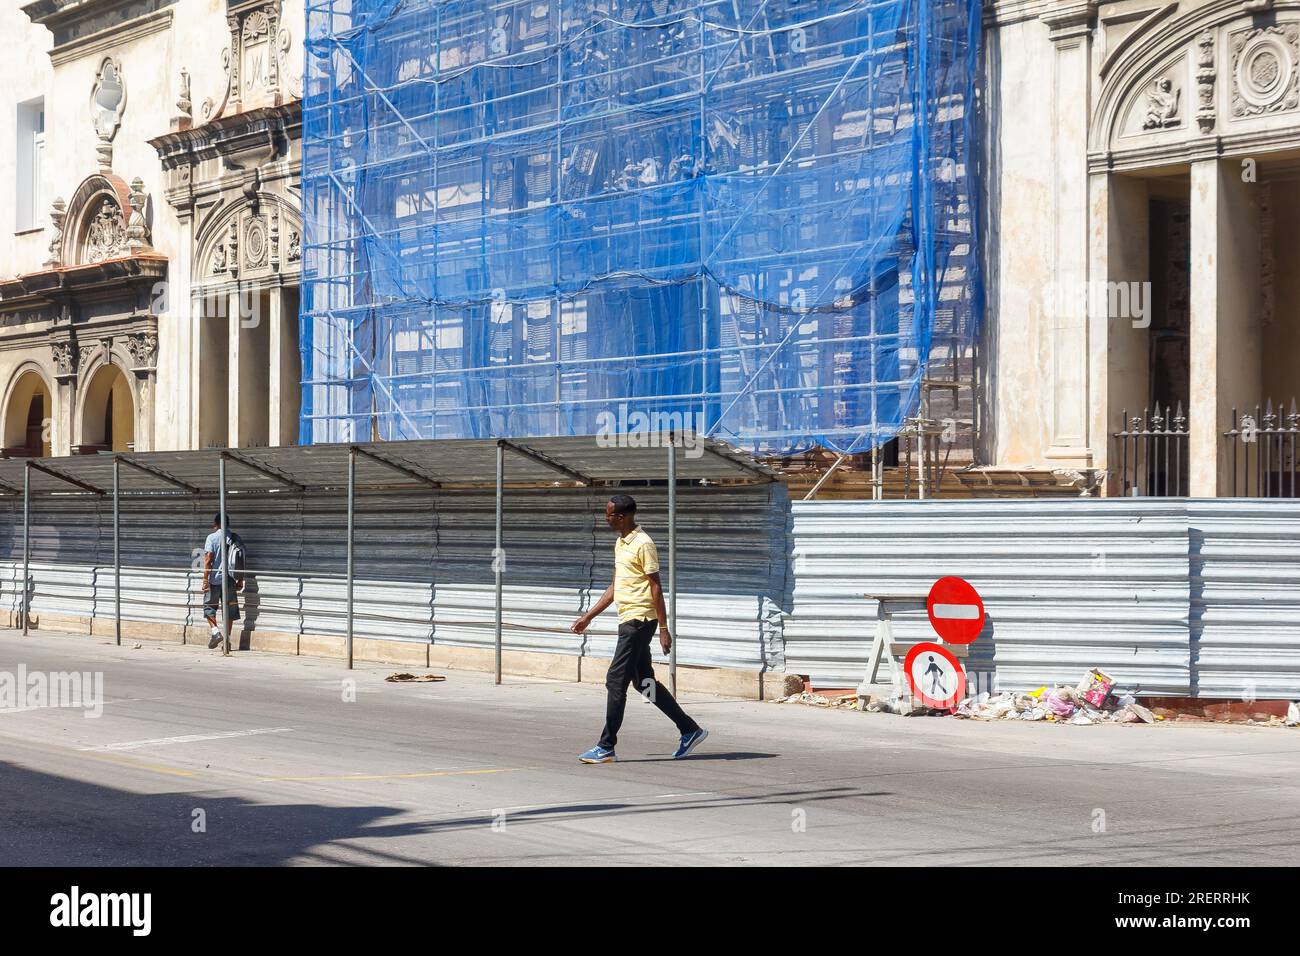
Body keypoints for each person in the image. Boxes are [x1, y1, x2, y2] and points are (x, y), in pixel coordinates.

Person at [571, 494, 707, 763]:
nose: (605, 517)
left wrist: (664, 628)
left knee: (615, 681)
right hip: (629, 619)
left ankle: (606, 746)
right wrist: (589, 616)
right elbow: (616, 586)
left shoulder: (643, 544)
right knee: (644, 683)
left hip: (640, 621)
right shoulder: (621, 543)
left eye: (608, 514)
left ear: (621, 516)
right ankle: (690, 729)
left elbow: (656, 586)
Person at [201, 513, 244, 650]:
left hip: (214, 579)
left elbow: (208, 559)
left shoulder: (212, 538)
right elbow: (240, 558)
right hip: (231, 579)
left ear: (216, 523)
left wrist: (205, 579)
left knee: (209, 607)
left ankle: (215, 632)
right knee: (230, 609)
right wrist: (240, 579)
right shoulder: (235, 538)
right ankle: (227, 640)